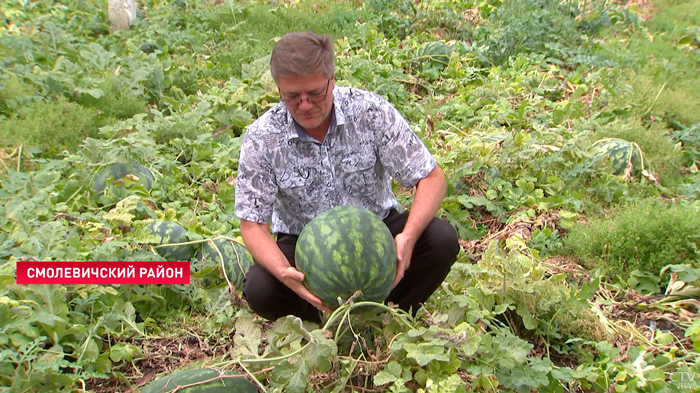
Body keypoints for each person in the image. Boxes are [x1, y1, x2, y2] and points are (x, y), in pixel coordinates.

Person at [234, 31, 460, 324]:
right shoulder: (263, 137)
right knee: (260, 288)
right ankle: (323, 317)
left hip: (376, 228)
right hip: (302, 241)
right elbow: (252, 224)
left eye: (315, 93)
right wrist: (283, 272)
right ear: (278, 89)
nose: (304, 105)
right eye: (292, 96)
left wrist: (408, 237)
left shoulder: (369, 111)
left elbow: (432, 178)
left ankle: (386, 313)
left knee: (440, 239)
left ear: (332, 78)